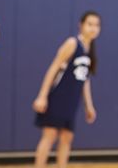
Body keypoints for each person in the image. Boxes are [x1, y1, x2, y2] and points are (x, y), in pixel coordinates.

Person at [33, 11, 101, 168]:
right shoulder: (72, 43)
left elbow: (85, 80)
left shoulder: (89, 49)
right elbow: (54, 67)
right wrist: (42, 96)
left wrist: (88, 105)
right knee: (49, 135)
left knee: (66, 137)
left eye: (97, 25)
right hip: (59, 95)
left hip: (72, 99)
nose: (93, 28)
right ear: (81, 25)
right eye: (90, 24)